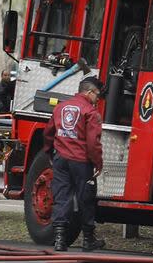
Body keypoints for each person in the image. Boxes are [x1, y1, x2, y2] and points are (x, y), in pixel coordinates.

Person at [44, 76, 106, 252]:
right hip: (81, 161)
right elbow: (93, 142)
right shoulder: (91, 112)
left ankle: (59, 239)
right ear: (89, 92)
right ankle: (88, 240)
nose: (97, 99)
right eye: (97, 95)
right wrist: (98, 163)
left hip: (61, 159)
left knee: (61, 196)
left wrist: (49, 151)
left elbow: (48, 132)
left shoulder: (60, 107)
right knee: (86, 198)